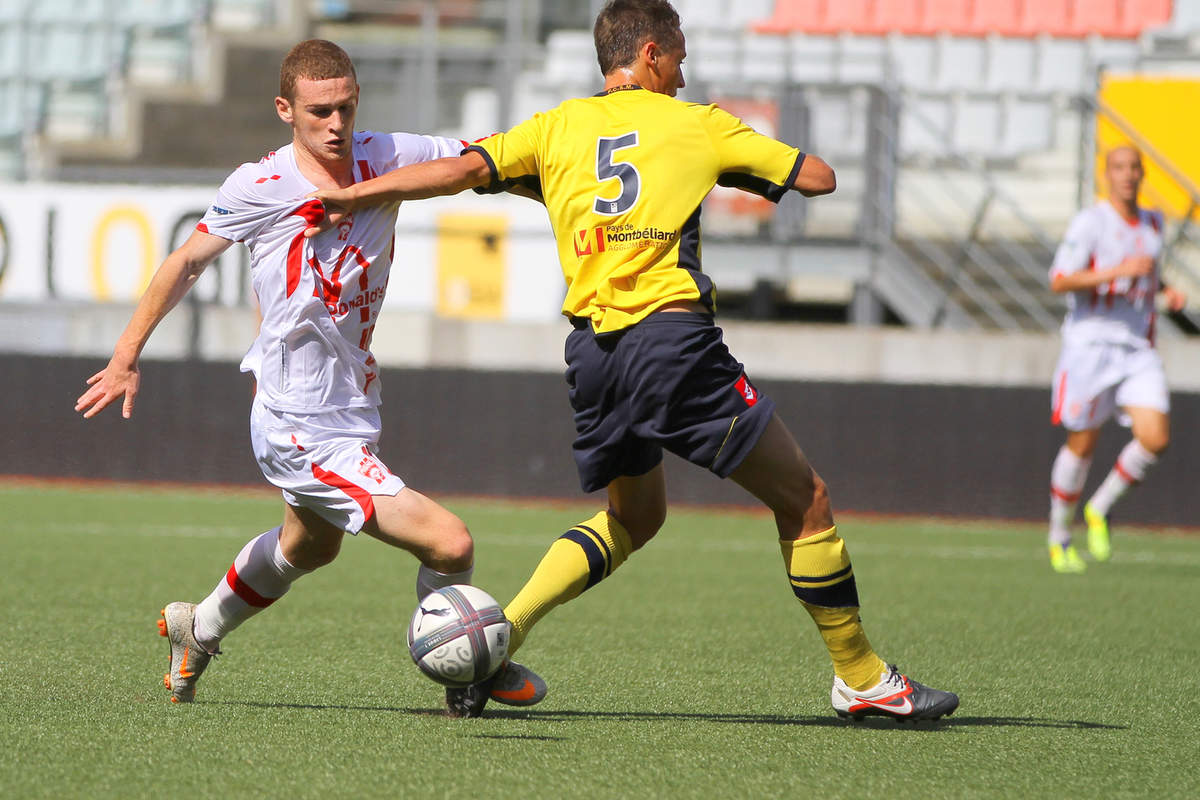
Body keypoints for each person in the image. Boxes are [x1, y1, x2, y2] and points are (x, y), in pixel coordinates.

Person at [306, 0, 959, 722]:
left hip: (593, 355)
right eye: (678, 54)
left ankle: (497, 639)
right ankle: (863, 678)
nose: (685, 70)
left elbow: (460, 171)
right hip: (671, 344)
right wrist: (721, 161)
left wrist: (357, 193)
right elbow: (818, 178)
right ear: (650, 53)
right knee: (806, 504)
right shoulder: (699, 123)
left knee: (634, 518)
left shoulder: (555, 127)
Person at [74, 39, 545, 709]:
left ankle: (197, 627)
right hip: (295, 420)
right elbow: (184, 263)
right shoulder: (261, 184)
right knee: (449, 541)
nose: (336, 124)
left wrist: (557, 187)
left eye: (346, 107)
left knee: (309, 547)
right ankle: (466, 671)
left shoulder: (389, 156)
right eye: (320, 110)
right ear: (285, 110)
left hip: (352, 404)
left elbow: (482, 161)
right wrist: (125, 356)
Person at [1045, 145, 1186, 574]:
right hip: (1090, 347)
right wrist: (1116, 272)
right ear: (1106, 175)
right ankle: (1058, 537)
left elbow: (1147, 271)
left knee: (1155, 437)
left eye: (1134, 168)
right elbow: (1059, 280)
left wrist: (1165, 292)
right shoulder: (1091, 223)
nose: (1127, 175)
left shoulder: (1153, 222)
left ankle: (1100, 508)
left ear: (1143, 175)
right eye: (1119, 168)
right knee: (1082, 444)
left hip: (1137, 349)